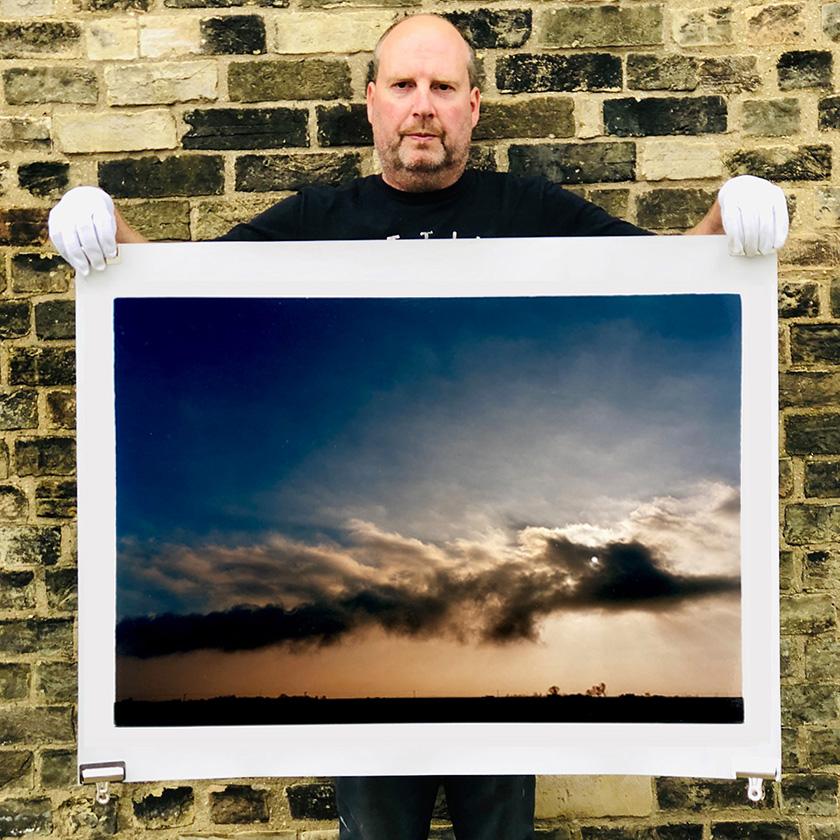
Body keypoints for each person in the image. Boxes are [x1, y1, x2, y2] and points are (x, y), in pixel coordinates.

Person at [49, 14, 788, 840]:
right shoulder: (312, 224)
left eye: (442, 88)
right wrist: (104, 232)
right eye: (403, 86)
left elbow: (673, 284)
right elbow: (171, 301)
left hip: (501, 659)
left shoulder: (532, 209)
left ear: (473, 106)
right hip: (368, 705)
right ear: (371, 104)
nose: (422, 107)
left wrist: (729, 221)